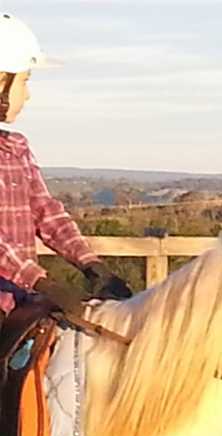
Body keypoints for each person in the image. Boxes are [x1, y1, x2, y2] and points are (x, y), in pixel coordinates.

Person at [0, 13, 131, 335]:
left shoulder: (16, 147)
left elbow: (47, 213)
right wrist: (42, 281)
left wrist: (90, 264)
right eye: (25, 80)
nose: (27, 94)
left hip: (21, 303)